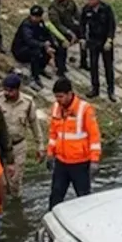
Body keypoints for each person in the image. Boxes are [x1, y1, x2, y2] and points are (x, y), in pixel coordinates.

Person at [46, 77, 101, 207]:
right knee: (55, 196)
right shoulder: (56, 108)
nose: (58, 100)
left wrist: (94, 160)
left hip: (80, 163)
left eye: (61, 97)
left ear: (70, 94)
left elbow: (94, 136)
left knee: (83, 198)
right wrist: (50, 154)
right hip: (61, 162)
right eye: (56, 97)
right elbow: (54, 133)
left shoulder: (85, 109)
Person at [0, 73, 45, 195]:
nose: (7, 93)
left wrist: (40, 145)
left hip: (18, 146)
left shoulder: (27, 102)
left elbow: (34, 124)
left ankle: (16, 203)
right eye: (5, 89)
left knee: (15, 180)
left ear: (18, 89)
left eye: (11, 91)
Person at [11, 5, 60, 89]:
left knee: (51, 48)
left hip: (34, 45)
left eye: (37, 17)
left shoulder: (40, 23)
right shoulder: (26, 25)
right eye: (33, 16)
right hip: (21, 49)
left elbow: (46, 34)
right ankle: (35, 77)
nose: (35, 19)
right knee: (36, 53)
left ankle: (41, 69)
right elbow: (29, 41)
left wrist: (49, 44)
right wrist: (43, 45)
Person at [81, 0, 117, 101]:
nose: (90, 2)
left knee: (108, 66)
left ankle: (111, 90)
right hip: (93, 40)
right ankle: (95, 88)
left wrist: (110, 39)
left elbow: (112, 25)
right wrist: (82, 38)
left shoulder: (106, 9)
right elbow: (82, 25)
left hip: (105, 40)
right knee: (93, 65)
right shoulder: (86, 9)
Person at [46, 0, 82, 70]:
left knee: (84, 36)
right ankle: (61, 68)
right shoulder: (53, 7)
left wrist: (82, 26)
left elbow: (78, 15)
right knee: (62, 45)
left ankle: (84, 61)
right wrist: (69, 33)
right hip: (59, 31)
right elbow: (57, 24)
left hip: (70, 26)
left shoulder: (70, 3)